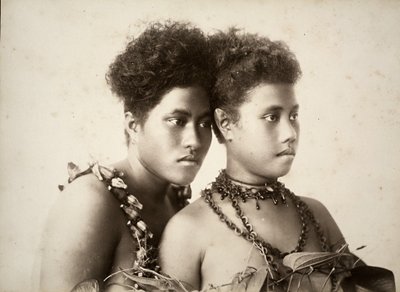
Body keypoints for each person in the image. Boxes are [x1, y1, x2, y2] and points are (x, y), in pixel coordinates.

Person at [159, 28, 367, 291]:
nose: (290, 133)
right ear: (226, 123)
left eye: (293, 116)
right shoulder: (187, 230)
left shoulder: (316, 215)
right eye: (271, 117)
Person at [38, 21, 215, 292]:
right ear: (133, 126)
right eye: (177, 121)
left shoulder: (176, 199)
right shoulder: (90, 201)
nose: (195, 140)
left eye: (204, 123)